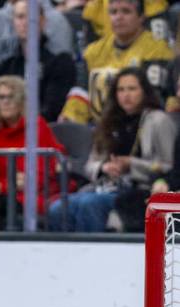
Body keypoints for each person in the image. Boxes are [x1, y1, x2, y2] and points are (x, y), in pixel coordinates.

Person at [48, 66, 173, 230]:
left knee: (89, 204)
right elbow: (90, 164)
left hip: (139, 189)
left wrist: (131, 164)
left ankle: (95, 254)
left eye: (132, 89)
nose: (126, 95)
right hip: (104, 186)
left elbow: (168, 165)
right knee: (57, 208)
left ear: (144, 91)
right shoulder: (108, 121)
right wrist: (104, 167)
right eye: (120, 90)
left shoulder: (159, 120)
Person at [59, 0, 172, 123]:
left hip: (138, 124)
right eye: (113, 12)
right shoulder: (94, 51)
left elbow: (152, 97)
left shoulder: (157, 49)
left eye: (126, 11)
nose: (119, 17)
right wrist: (70, 116)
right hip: (97, 127)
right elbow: (82, 90)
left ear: (141, 18)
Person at [0, 75, 68, 225]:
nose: (6, 102)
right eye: (0, 97)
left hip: (38, 196)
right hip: (8, 196)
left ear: (22, 101)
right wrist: (9, 185)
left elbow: (39, 177)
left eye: (11, 97)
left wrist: (4, 186)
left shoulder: (36, 126)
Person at [0, 0, 77, 121]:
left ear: (43, 21)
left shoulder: (60, 63)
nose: (26, 22)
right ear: (13, 23)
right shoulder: (7, 66)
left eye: (31, 16)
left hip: (43, 131)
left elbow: (52, 110)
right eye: (20, 17)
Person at [0, 0, 75, 64]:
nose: (24, 23)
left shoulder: (56, 20)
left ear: (43, 21)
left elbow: (62, 62)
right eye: (20, 17)